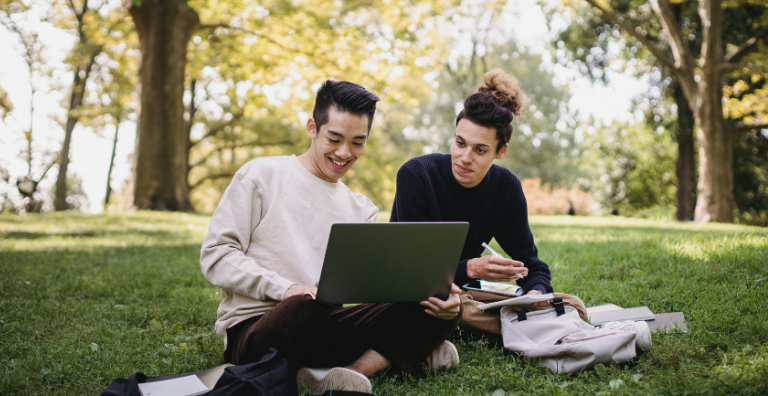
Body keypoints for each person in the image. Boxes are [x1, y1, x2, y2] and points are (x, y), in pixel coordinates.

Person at [200, 80, 462, 394]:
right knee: (299, 311)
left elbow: (369, 289)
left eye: (357, 142)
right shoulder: (261, 176)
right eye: (334, 138)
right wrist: (288, 289)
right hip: (263, 327)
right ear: (313, 127)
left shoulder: (361, 208)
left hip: (328, 323)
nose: (344, 153)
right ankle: (405, 353)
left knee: (442, 304)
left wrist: (429, 290)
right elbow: (216, 256)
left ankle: (349, 372)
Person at [390, 69, 587, 337]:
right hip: (419, 296)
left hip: (466, 297)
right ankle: (531, 324)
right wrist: (471, 267)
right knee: (445, 307)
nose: (464, 157)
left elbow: (533, 266)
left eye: (480, 150)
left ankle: (527, 317)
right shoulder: (416, 175)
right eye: (460, 143)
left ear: (501, 151)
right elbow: (410, 273)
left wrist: (535, 294)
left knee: (573, 305)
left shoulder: (506, 188)